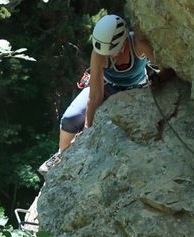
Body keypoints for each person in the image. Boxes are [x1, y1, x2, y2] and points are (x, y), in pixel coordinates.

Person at [40, 14, 156, 174]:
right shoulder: (99, 53)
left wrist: (158, 83)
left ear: (123, 40)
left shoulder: (138, 45)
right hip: (107, 86)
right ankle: (62, 155)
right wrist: (88, 128)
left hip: (137, 89)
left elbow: (164, 67)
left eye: (112, 51)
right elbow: (95, 96)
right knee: (70, 119)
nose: (109, 55)